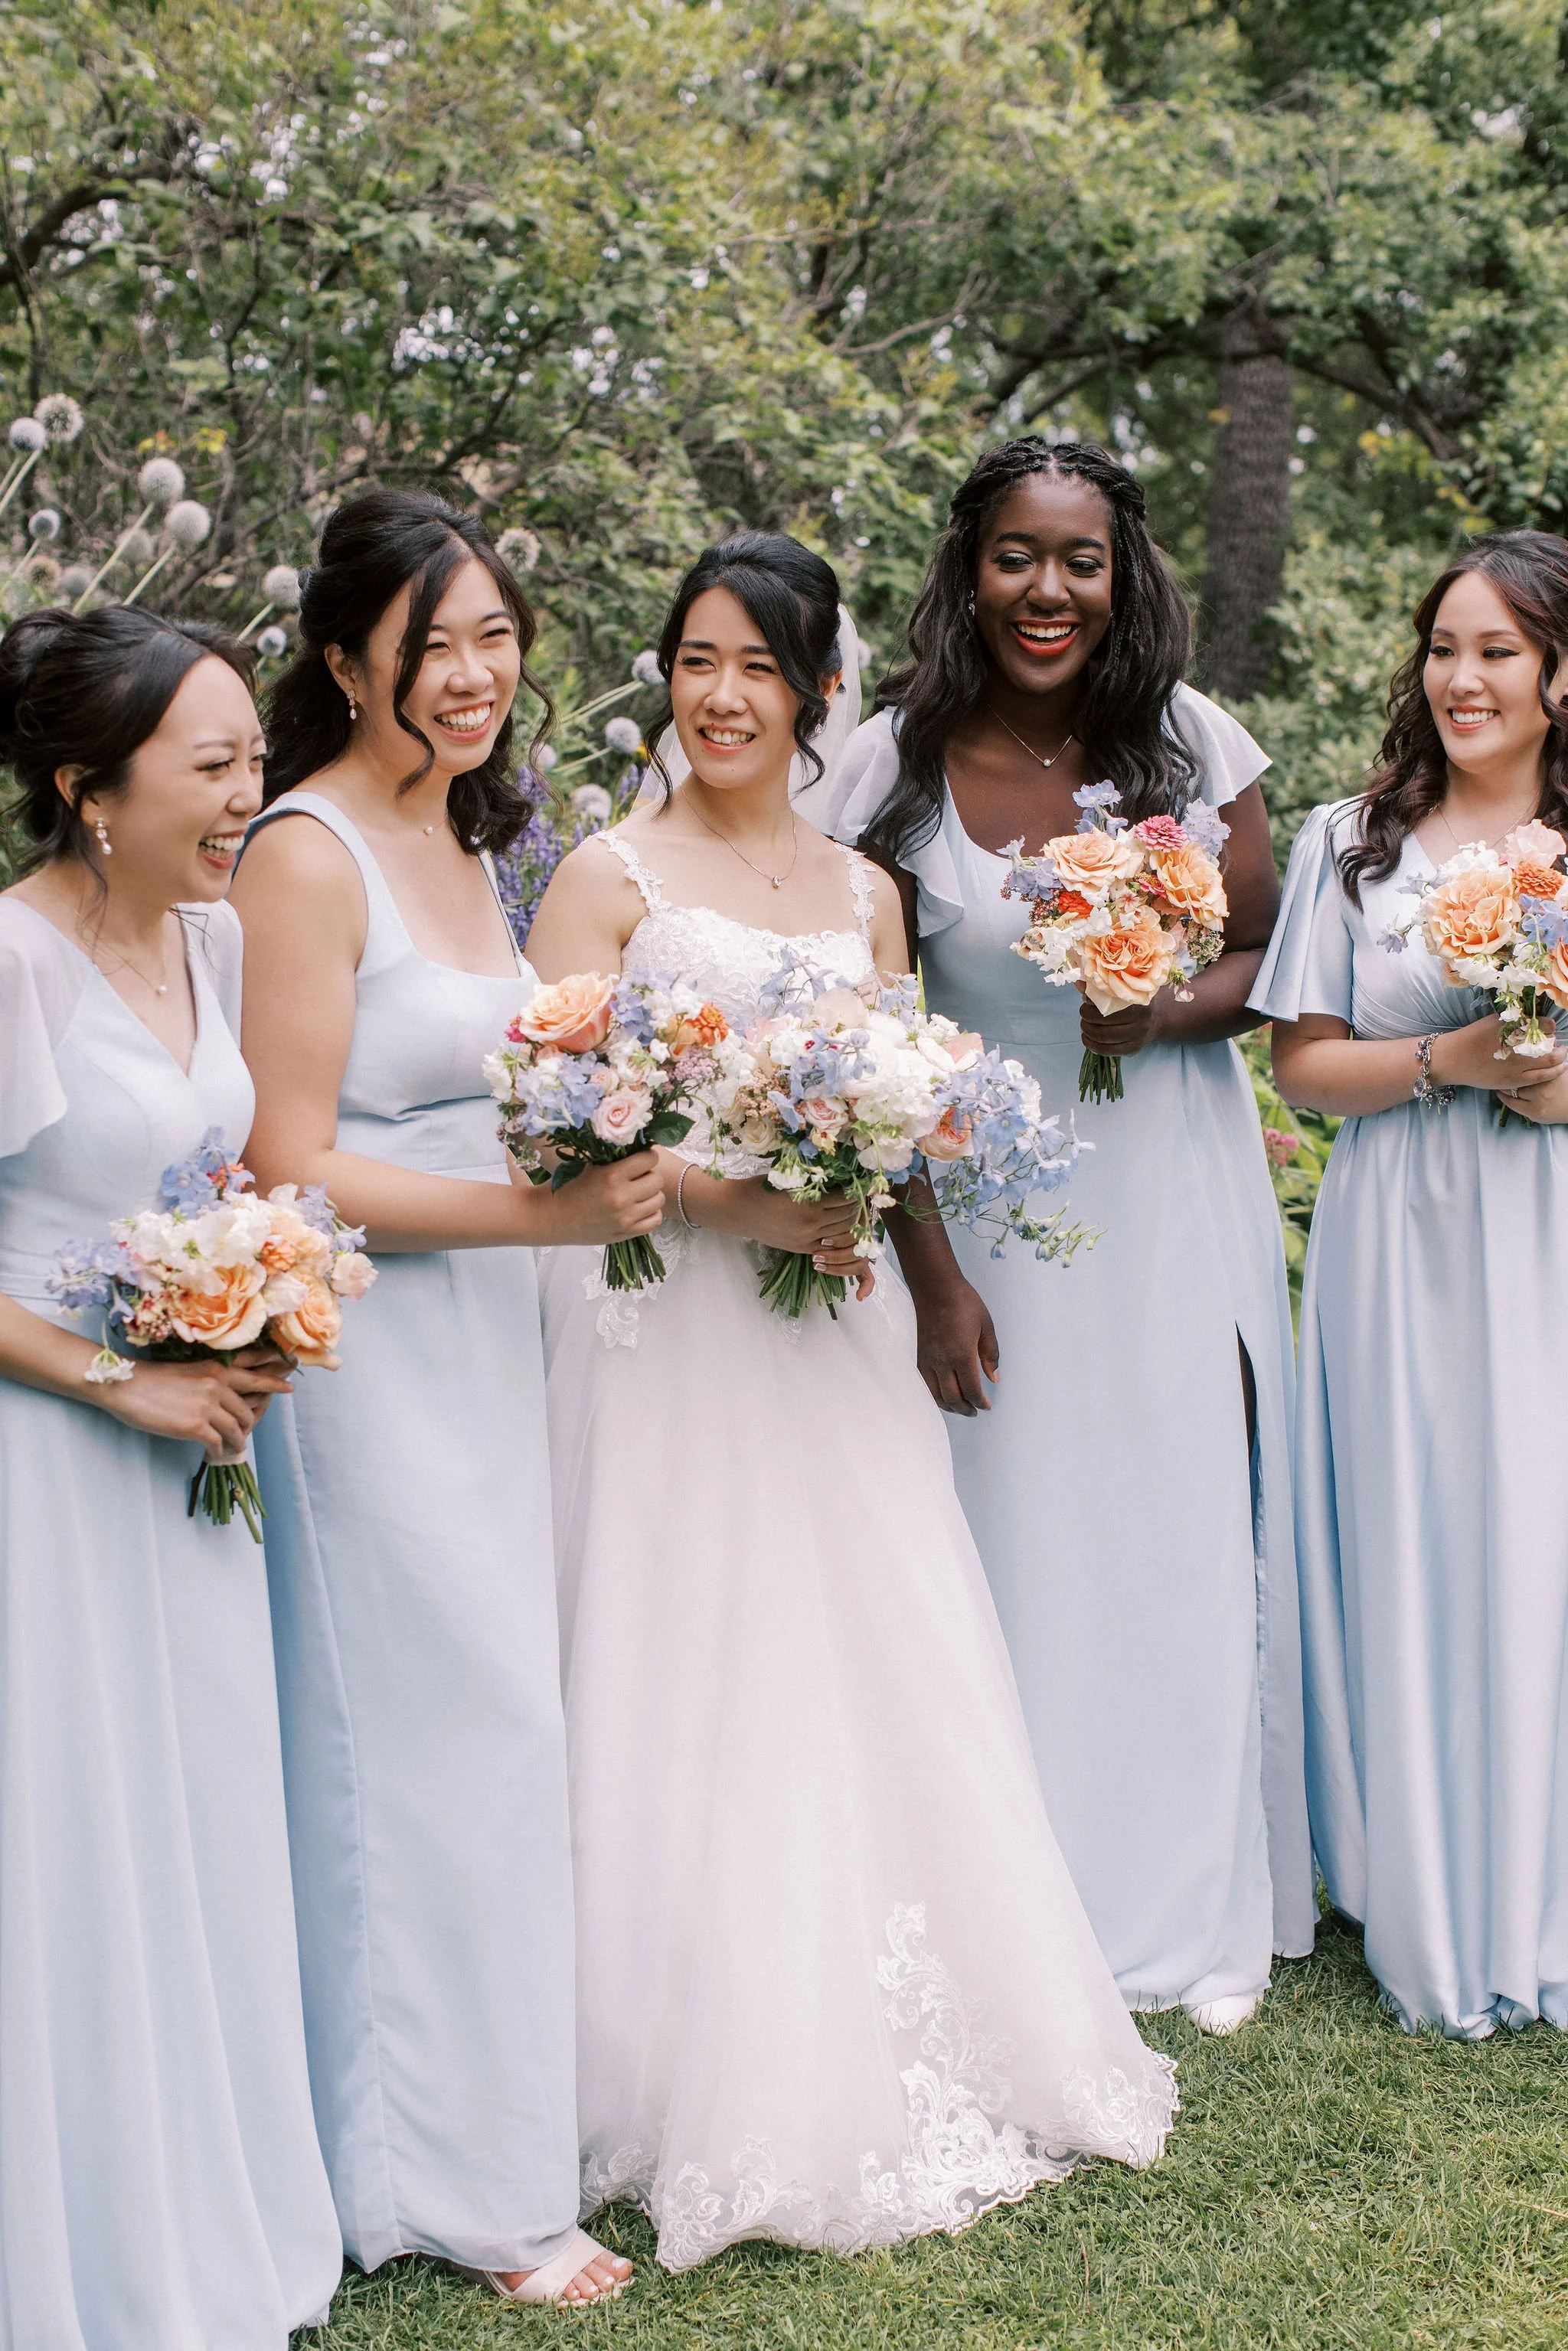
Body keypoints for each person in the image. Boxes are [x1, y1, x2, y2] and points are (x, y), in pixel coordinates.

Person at [528, 528, 1178, 2274]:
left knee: (868, 1640)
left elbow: (892, 1115)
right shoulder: (601, 878)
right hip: (666, 1327)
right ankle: (661, 2052)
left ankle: (899, 2017)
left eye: (756, 666)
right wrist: (738, 1196)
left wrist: (928, 1262)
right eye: (692, 660)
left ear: (819, 693)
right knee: (680, 1645)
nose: (718, 695)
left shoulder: (861, 889)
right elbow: (546, 1125)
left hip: (830, 1328)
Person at [812, 437, 1314, 2032]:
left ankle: (1168, 1889)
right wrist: (933, 1275)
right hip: (977, 1199)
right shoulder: (885, 759)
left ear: (1123, 570)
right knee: (997, 1527)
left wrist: (1160, 1011)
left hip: (1164, 1180)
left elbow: (1266, 952)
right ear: (970, 566)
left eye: (1079, 557)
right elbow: (858, 1032)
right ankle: (998, 1894)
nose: (1048, 589)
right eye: (1016, 555)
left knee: (1160, 1524)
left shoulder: (1187, 738)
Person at [230, 491, 661, 2307]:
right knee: (415, 1744)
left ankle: (473, 2129)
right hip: (367, 1354)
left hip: (488, 1337)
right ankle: (444, 2179)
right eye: (435, 647)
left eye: (495, 635)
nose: (475, 674)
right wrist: (534, 1210)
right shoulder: (303, 850)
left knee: (506, 1730)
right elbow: (285, 1157)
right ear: (346, 661)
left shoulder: (464, 839)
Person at [0, 606, 341, 2348]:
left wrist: (262, 1297)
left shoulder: (212, 935)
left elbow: (233, 1159)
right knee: (79, 1831)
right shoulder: (13, 960)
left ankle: (204, 2209)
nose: (245, 798)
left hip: (200, 1450)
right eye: (210, 768)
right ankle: (76, 2248)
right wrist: (119, 1374)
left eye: (252, 760)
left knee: (198, 1814)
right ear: (87, 789)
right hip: (53, 1472)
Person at [1254, 529, 1568, 2038]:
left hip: (1546, 1223)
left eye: (1495, 651)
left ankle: (1540, 1878)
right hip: (1396, 1228)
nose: (1460, 678)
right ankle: (1424, 1871)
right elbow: (1303, 1064)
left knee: (1540, 1523)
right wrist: (1454, 1056)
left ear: (1556, 674)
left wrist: (1551, 1089)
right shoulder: (1349, 838)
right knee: (1418, 1517)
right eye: (1442, 647)